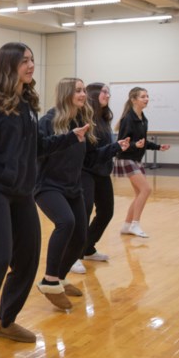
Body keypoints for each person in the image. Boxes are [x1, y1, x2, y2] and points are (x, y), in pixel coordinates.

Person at [0, 42, 88, 358]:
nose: (31, 65)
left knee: (27, 260)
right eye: (25, 61)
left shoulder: (27, 105)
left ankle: (4, 322)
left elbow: (38, 147)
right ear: (9, 66)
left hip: (22, 193)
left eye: (32, 60)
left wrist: (72, 137)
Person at [34, 79, 130, 310]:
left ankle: (61, 276)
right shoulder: (48, 121)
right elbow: (37, 149)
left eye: (84, 90)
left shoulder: (82, 121)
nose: (83, 94)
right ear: (66, 94)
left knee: (80, 237)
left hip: (72, 186)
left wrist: (116, 147)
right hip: (48, 186)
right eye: (78, 90)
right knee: (66, 223)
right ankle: (49, 280)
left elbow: (89, 159)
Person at [114, 87, 170, 238]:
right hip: (126, 158)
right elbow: (122, 142)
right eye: (143, 97)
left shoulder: (143, 119)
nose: (146, 99)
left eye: (147, 96)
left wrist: (158, 147)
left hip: (135, 159)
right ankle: (135, 224)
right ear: (133, 100)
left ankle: (126, 225)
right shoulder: (128, 119)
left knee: (140, 193)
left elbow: (143, 142)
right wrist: (133, 145)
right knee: (146, 190)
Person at [81, 83, 120, 263]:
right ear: (94, 94)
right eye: (104, 92)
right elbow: (89, 153)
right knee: (84, 211)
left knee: (106, 212)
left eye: (108, 92)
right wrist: (114, 148)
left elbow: (105, 148)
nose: (107, 95)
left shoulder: (104, 119)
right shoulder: (84, 118)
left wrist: (119, 147)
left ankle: (86, 248)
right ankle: (72, 255)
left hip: (102, 171)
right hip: (85, 171)